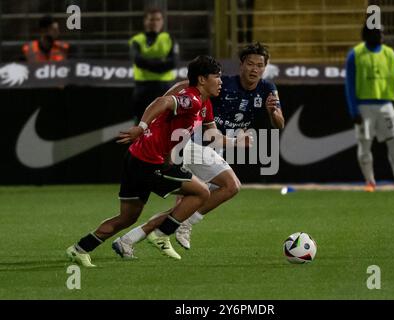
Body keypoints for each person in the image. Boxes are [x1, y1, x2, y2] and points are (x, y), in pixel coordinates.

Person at [113, 42, 284, 258]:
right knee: (231, 186)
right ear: (241, 65)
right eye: (250, 63)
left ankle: (129, 240)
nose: (254, 69)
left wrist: (273, 113)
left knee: (185, 207)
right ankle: (183, 224)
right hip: (195, 144)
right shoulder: (224, 83)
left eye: (260, 65)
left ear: (265, 67)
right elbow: (188, 85)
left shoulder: (267, 89)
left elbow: (279, 123)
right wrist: (165, 104)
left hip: (217, 147)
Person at [66, 55, 222, 267]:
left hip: (137, 157)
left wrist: (236, 141)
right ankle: (162, 233)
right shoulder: (192, 99)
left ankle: (80, 248)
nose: (220, 81)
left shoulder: (203, 102)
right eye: (217, 76)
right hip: (149, 162)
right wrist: (141, 127)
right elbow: (163, 102)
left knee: (127, 218)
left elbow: (176, 129)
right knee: (202, 192)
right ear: (202, 79)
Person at [345, 25, 394, 192]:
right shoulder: (355, 54)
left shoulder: (389, 53)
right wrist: (353, 110)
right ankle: (370, 182)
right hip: (364, 106)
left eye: (382, 32)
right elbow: (349, 85)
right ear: (368, 35)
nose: (382, 35)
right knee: (364, 145)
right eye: (378, 32)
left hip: (386, 105)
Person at [129, 8, 178, 123]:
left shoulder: (169, 39)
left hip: (165, 88)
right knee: (140, 123)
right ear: (145, 21)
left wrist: (149, 63)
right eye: (151, 19)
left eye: (158, 19)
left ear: (162, 21)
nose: (155, 22)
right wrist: (161, 64)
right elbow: (138, 61)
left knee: (166, 123)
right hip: (143, 89)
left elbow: (173, 63)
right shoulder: (136, 40)